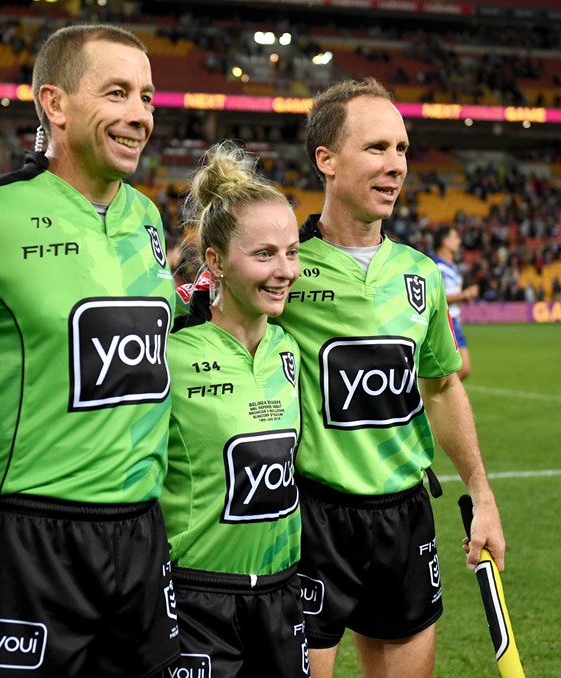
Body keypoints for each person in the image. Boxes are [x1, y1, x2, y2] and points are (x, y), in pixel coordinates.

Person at [0, 24, 179, 678]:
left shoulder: (148, 219)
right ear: (56, 103)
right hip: (27, 535)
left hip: (142, 531)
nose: (139, 115)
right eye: (118, 93)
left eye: (148, 98)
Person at [283, 77, 506, 677]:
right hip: (311, 516)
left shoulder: (420, 275)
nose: (396, 165)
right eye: (377, 148)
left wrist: (481, 493)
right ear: (326, 160)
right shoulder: (284, 267)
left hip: (405, 517)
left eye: (402, 149)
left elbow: (443, 385)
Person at [162, 142, 310, 677]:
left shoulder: (288, 351)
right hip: (197, 596)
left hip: (280, 592)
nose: (285, 270)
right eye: (265, 254)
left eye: (291, 252)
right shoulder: (172, 353)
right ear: (217, 261)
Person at [432, 225, 478, 380]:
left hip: (454, 321)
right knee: (461, 369)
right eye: (455, 237)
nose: (459, 240)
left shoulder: (453, 268)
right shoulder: (436, 266)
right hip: (444, 322)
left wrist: (465, 297)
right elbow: (436, 297)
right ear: (444, 241)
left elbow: (452, 295)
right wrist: (465, 294)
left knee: (461, 370)